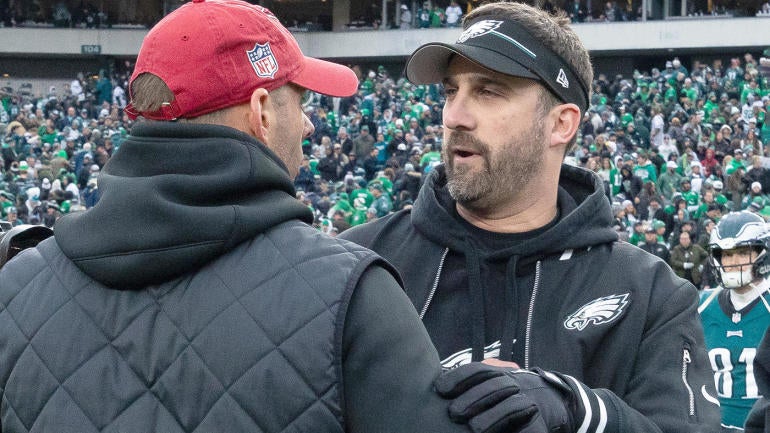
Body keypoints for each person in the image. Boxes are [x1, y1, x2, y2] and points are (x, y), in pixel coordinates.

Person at [0, 1, 478, 431]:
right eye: (301, 101)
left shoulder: (15, 288)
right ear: (261, 112)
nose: (310, 123)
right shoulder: (353, 294)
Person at [341, 2, 720, 432]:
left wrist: (580, 411)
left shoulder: (651, 293)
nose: (453, 116)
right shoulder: (359, 261)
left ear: (561, 124)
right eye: (450, 91)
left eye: (488, 91)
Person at [699, 211, 770, 431]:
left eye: (742, 252)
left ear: (762, 253)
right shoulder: (701, 305)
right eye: (726, 254)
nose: (732, 262)